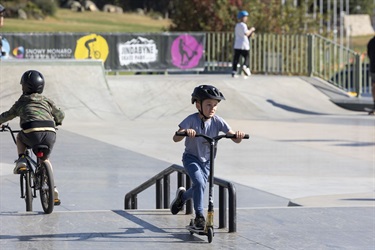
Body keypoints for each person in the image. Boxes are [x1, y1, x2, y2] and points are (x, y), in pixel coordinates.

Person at [170, 84, 245, 229]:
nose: (213, 108)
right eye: (209, 104)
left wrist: (238, 136)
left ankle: (183, 197)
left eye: (215, 105)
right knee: (199, 184)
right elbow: (175, 137)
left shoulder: (218, 121)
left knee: (201, 186)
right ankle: (199, 217)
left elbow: (233, 136)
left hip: (208, 162)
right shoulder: (191, 119)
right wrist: (186, 132)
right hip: (191, 158)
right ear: (198, 104)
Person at [0, 70, 65, 204]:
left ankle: (22, 159)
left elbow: (8, 115)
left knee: (19, 137)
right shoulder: (46, 100)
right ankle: (52, 188)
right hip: (49, 132)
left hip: (31, 130)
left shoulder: (22, 101)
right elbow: (60, 114)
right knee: (45, 159)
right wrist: (57, 121)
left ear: (24, 86)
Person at [232, 10, 255, 78]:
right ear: (243, 17)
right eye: (246, 17)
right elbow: (246, 33)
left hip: (237, 45)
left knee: (236, 58)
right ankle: (245, 66)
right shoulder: (243, 25)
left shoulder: (237, 25)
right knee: (246, 57)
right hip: (244, 45)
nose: (246, 18)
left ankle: (234, 71)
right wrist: (252, 30)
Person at [367, 35, 375, 115]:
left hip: (373, 67)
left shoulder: (371, 42)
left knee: (374, 87)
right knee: (374, 87)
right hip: (373, 68)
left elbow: (369, 54)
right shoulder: (371, 42)